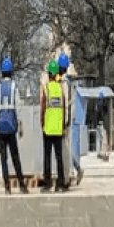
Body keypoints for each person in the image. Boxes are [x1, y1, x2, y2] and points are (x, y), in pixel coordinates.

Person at [0, 57, 28, 195]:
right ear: (11, 72)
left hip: (1, 125)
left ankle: (7, 186)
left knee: (3, 158)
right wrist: (20, 125)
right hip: (11, 125)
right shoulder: (14, 86)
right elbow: (18, 106)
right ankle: (21, 184)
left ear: (2, 72)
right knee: (15, 156)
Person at [41, 59, 67, 193]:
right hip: (58, 128)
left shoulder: (46, 88)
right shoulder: (60, 89)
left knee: (47, 157)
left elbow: (43, 108)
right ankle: (61, 184)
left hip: (48, 129)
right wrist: (62, 126)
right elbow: (64, 109)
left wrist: (42, 124)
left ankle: (47, 184)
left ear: (48, 74)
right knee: (59, 157)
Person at [58, 51, 83, 186]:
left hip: (66, 118)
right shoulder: (69, 81)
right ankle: (72, 171)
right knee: (65, 147)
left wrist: (64, 121)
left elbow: (64, 104)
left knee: (65, 147)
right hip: (69, 116)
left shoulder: (65, 83)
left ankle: (75, 170)